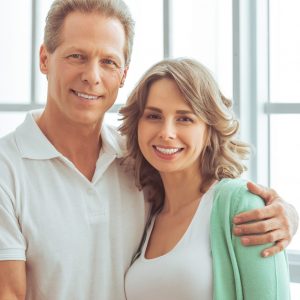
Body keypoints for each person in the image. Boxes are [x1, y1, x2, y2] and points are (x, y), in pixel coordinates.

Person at [0, 1, 297, 299]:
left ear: (124, 74)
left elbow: (209, 198)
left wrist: (286, 213)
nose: (92, 76)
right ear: (44, 59)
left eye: (108, 62)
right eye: (76, 56)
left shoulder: (137, 160)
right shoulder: (7, 168)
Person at [120, 58, 291, 299]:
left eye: (185, 118)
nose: (166, 133)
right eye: (154, 116)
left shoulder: (241, 204)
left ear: (209, 129)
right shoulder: (147, 209)